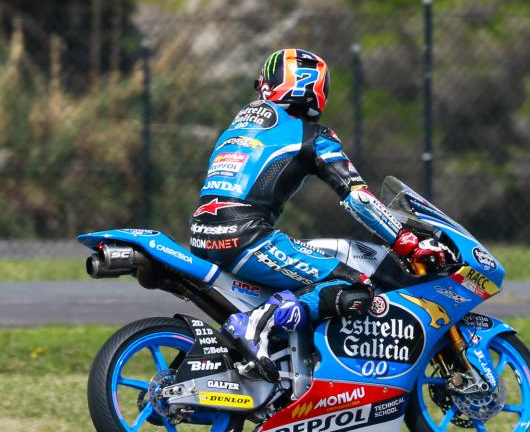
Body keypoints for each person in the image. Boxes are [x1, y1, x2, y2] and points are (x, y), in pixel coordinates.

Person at [189, 48, 451, 370]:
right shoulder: (313, 136)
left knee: (307, 284)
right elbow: (357, 197)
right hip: (248, 238)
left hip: (203, 236)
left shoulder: (238, 129)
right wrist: (406, 241)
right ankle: (257, 325)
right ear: (313, 87)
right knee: (356, 286)